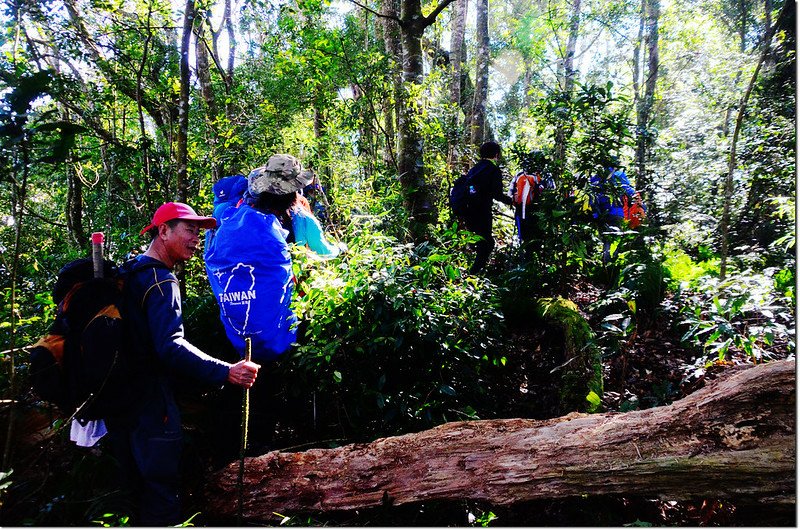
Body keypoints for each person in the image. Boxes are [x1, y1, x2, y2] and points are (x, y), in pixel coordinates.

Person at [105, 202, 261, 526]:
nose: (195, 238)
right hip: (150, 409)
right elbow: (170, 347)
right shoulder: (162, 281)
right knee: (161, 500)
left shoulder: (128, 273)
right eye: (189, 229)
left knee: (133, 500)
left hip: (119, 408)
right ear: (163, 231)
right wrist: (226, 371)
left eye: (199, 232)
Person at [462, 141, 513, 273]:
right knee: (487, 244)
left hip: (468, 211)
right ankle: (472, 275)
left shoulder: (474, 169)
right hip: (482, 212)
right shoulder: (493, 169)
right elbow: (497, 194)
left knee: (481, 242)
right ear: (496, 154)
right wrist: (513, 201)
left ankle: (473, 273)